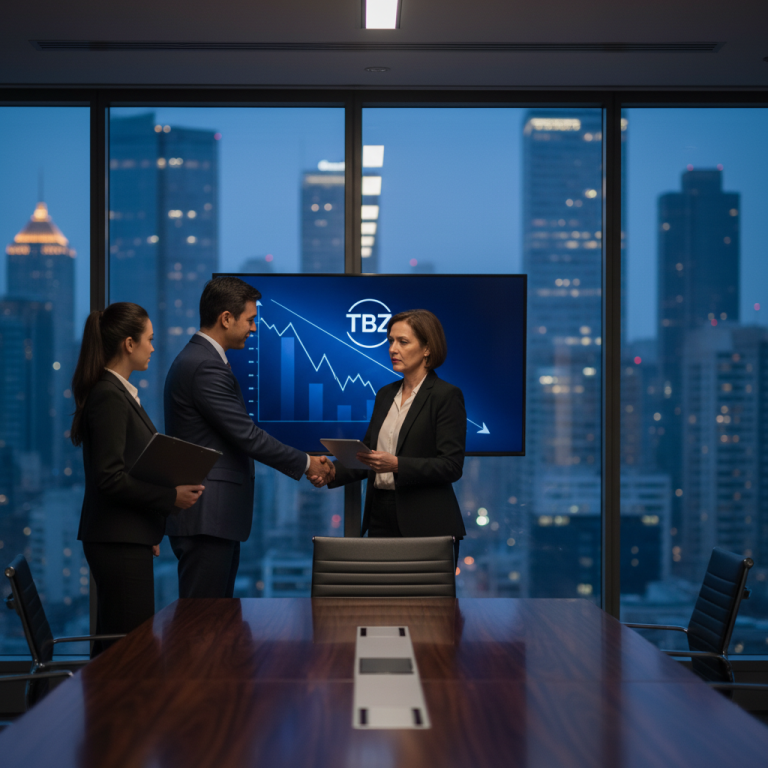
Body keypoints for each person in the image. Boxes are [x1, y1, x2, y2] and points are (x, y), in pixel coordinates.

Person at [164, 276, 332, 598]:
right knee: (203, 625)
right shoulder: (204, 366)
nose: (254, 329)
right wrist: (307, 462)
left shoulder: (203, 360)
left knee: (215, 622)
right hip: (206, 516)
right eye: (250, 320)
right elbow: (247, 435)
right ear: (226, 318)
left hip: (213, 517)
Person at [72, 303, 204, 657]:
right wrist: (168, 497)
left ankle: (107, 712)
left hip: (125, 536)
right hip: (116, 539)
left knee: (121, 643)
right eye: (150, 339)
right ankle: (115, 713)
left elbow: (127, 469)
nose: (153, 347)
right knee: (129, 650)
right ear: (129, 344)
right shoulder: (109, 396)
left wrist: (147, 525)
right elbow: (109, 478)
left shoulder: (118, 393)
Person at [325, 309, 467, 564]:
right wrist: (330, 472)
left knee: (427, 605)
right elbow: (368, 455)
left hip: (427, 523)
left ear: (427, 348)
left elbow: (451, 466)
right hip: (380, 515)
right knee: (381, 602)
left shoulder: (446, 396)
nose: (392, 348)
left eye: (403, 341)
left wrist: (398, 465)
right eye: (390, 340)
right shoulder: (384, 394)